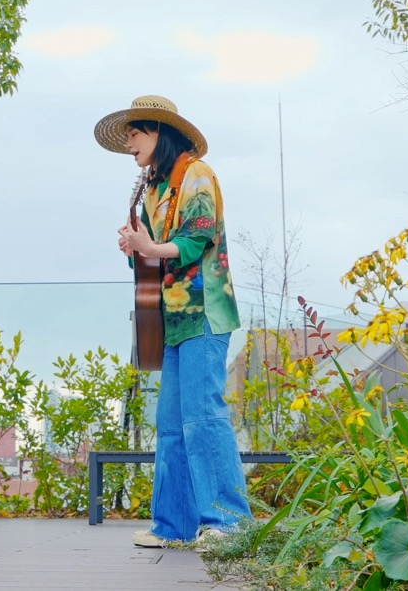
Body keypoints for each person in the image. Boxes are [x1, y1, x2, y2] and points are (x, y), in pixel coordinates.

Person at [92, 95, 253, 549]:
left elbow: (197, 239)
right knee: (170, 423)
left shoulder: (198, 174)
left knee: (203, 417)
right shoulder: (154, 190)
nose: (129, 145)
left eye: (134, 134)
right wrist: (136, 249)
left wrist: (149, 248)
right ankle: (174, 526)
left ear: (159, 132)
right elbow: (152, 259)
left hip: (205, 311)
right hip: (174, 320)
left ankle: (230, 525)